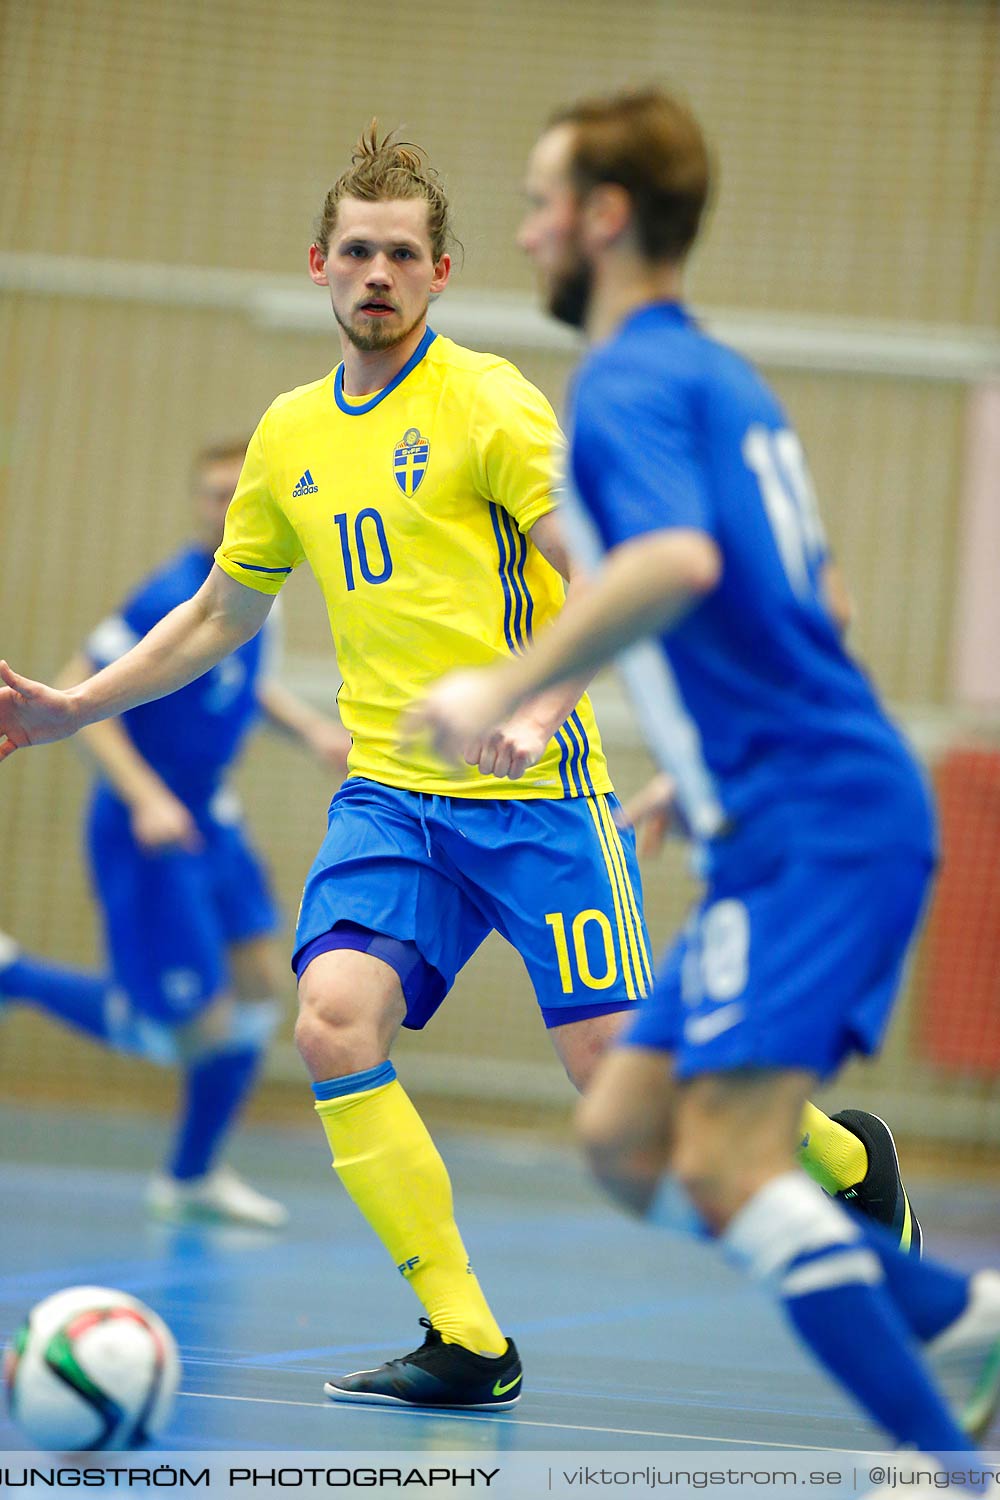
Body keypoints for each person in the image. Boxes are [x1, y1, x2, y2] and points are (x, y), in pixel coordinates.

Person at [0, 125, 922, 1414]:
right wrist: (74, 707)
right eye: (357, 251)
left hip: (540, 798)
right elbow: (222, 612)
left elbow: (599, 574)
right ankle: (466, 1339)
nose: (377, 272)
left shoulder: (490, 402)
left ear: (441, 275)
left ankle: (837, 1155)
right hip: (392, 798)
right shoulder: (289, 436)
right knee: (330, 1020)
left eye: (403, 254)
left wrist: (541, 700)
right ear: (320, 265)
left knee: (619, 1081)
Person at [411, 88, 1000, 1454]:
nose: (526, 229)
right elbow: (825, 603)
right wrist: (700, 768)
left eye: (542, 202)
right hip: (785, 807)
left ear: (604, 219)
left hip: (820, 824)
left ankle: (947, 1461)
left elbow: (676, 566)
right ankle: (955, 1320)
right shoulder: (718, 376)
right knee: (624, 1140)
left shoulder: (622, 383)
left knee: (730, 1163)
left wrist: (506, 680)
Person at [0, 439, 350, 1228]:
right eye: (211, 494)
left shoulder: (263, 582)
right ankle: (16, 977)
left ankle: (192, 1176)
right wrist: (149, 798)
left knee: (262, 986)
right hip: (148, 827)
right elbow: (80, 703)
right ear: (196, 504)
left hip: (211, 817)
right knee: (186, 1035)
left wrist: (313, 732)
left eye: (238, 492)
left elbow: (235, 679)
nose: (225, 507)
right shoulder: (168, 590)